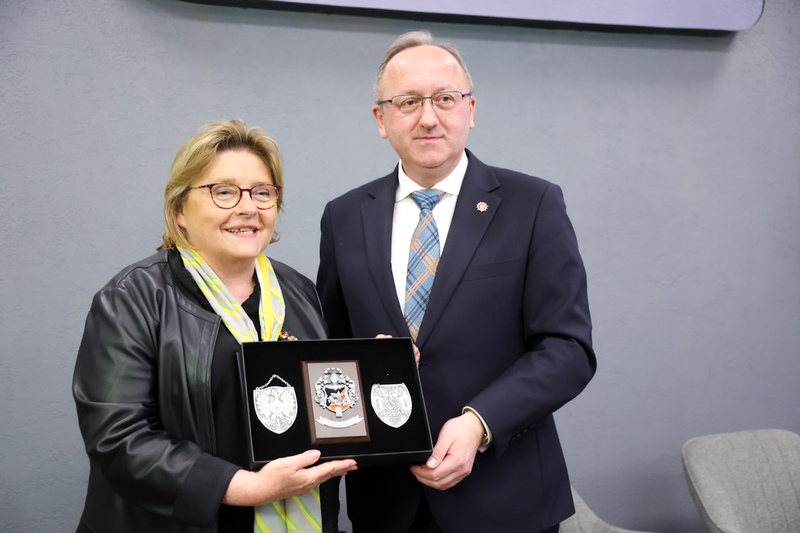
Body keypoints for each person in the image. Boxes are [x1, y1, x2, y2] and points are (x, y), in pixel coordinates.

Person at [316, 31, 597, 533]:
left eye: (445, 99)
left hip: (504, 499)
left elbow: (568, 348)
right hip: (385, 503)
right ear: (381, 119)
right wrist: (363, 362)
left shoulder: (532, 204)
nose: (428, 117)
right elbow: (330, 352)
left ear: (470, 109)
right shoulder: (344, 216)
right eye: (408, 102)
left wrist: (479, 423)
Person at [73, 119, 357, 533]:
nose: (248, 207)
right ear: (180, 210)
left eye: (262, 192)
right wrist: (247, 488)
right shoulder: (131, 298)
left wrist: (371, 369)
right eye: (223, 191)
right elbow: (117, 438)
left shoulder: (299, 291)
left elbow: (321, 406)